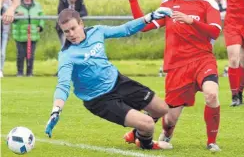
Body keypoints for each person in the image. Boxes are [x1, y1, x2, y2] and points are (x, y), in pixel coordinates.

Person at [121, 0, 222, 152]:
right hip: (177, 66)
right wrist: (133, 0)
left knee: (212, 93)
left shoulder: (207, 4)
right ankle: (164, 135)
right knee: (170, 118)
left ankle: (211, 142)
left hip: (202, 60)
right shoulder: (168, 6)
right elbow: (143, 27)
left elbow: (215, 31)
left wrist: (192, 21)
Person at [44, 8, 173, 150]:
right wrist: (56, 110)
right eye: (66, 31)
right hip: (99, 99)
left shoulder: (97, 31)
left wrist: (150, 17)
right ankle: (146, 144)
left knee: (161, 109)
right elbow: (63, 85)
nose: (71, 34)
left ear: (81, 23)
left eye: (73, 28)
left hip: (118, 82)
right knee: (148, 123)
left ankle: (136, 133)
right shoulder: (66, 55)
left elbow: (125, 29)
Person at [12, 0, 44, 77]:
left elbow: (42, 17)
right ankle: (20, 72)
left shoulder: (37, 5)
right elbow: (11, 17)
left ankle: (29, 73)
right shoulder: (17, 5)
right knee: (21, 55)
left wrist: (40, 26)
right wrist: (17, 15)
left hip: (33, 34)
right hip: (20, 34)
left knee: (30, 55)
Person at [0, 0, 12, 77]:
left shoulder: (8, 1)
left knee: (2, 53)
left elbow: (11, 12)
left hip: (4, 30)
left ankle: (0, 69)